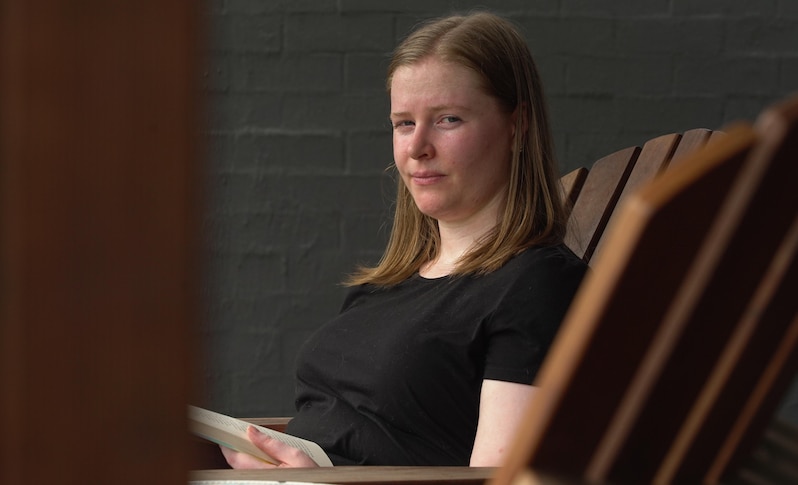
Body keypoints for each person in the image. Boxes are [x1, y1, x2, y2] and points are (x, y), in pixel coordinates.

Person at [222, 11, 588, 468]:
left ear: (517, 125)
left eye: (448, 119)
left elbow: (497, 480)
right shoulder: (383, 288)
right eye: (402, 123)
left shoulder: (536, 286)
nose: (417, 148)